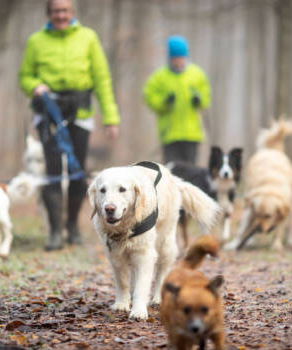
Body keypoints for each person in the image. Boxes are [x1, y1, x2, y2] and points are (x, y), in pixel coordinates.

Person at [19, 0, 120, 251]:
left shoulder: (88, 37)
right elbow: (24, 76)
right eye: (56, 11)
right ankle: (54, 232)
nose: (60, 15)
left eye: (64, 11)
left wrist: (111, 117)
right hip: (49, 114)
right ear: (49, 13)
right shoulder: (36, 41)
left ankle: (72, 225)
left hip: (81, 112)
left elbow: (102, 79)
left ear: (72, 13)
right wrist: (35, 86)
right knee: (52, 171)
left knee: (77, 172)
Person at [143, 35, 211, 165]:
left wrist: (199, 100)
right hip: (170, 134)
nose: (178, 61)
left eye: (181, 57)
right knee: (171, 170)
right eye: (175, 58)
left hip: (192, 134)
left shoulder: (196, 74)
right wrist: (164, 102)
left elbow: (206, 97)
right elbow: (149, 97)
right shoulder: (160, 76)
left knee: (191, 169)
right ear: (170, 58)